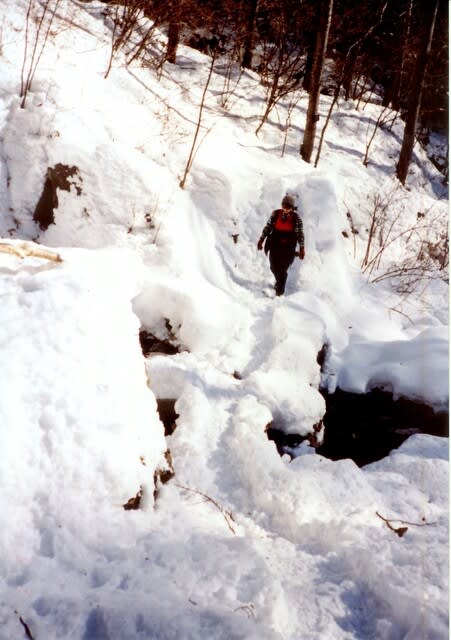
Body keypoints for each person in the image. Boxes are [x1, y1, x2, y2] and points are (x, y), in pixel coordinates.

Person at [257, 194, 305, 296]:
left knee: (282, 269)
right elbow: (268, 227)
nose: (286, 209)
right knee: (273, 267)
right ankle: (279, 282)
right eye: (284, 206)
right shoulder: (275, 214)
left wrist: (302, 248)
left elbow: (300, 234)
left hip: (288, 247)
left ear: (292, 208)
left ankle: (279, 292)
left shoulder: (296, 219)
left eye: (288, 207)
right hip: (275, 244)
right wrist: (261, 240)